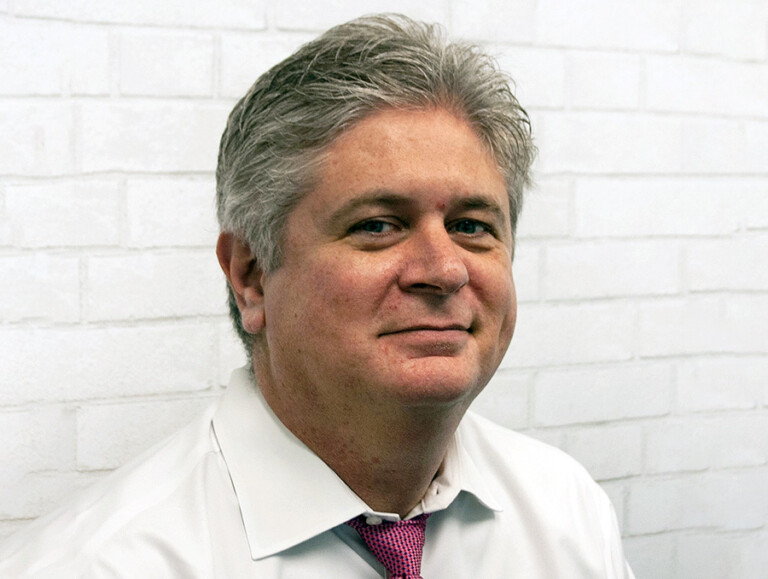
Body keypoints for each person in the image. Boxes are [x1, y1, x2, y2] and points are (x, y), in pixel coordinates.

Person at [0, 14, 635, 578]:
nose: (445, 270)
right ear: (251, 276)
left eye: (471, 226)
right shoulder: (97, 566)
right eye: (377, 226)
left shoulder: (566, 513)